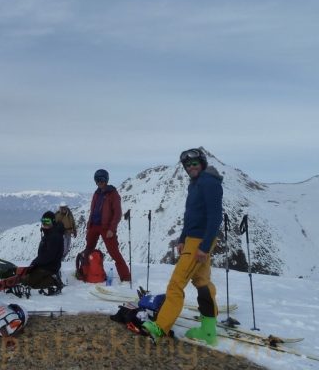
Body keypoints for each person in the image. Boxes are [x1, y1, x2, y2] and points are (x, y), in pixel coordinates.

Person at [142, 148, 223, 345]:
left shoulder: (208, 182)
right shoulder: (195, 184)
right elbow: (191, 216)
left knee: (176, 284)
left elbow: (215, 217)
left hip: (199, 241)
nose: (191, 167)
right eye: (187, 165)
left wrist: (203, 246)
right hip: (193, 239)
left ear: (202, 164)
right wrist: (182, 238)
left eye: (194, 164)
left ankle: (160, 326)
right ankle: (208, 330)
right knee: (202, 282)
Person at [0, 211, 64, 294]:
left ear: (53, 222)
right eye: (43, 221)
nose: (45, 224)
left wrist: (35, 263)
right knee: (29, 281)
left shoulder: (54, 236)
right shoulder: (49, 234)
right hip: (44, 266)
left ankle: (53, 281)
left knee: (29, 283)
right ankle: (49, 279)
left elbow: (49, 255)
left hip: (49, 267)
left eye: (47, 221)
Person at [85, 169, 131, 282]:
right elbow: (93, 210)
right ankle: (86, 271)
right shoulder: (96, 193)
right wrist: (89, 225)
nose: (99, 182)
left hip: (106, 228)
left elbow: (117, 213)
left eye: (101, 180)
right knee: (88, 249)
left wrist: (112, 228)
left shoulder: (113, 194)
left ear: (106, 180)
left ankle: (125, 277)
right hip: (94, 226)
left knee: (114, 252)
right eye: (97, 180)